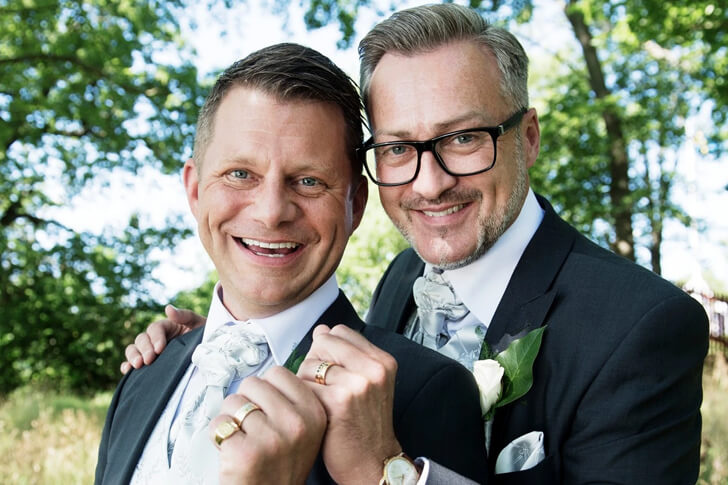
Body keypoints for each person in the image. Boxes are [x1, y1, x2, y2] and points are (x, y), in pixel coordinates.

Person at [124, 4, 709, 484]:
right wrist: (229, 344)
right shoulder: (403, 277)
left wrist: (386, 473)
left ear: (528, 138)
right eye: (399, 148)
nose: (430, 184)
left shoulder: (641, 325)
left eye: (463, 139)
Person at [95, 42, 489, 485]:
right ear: (195, 190)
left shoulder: (424, 390)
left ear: (355, 204)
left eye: (308, 181)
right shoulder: (145, 373)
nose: (271, 212)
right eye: (240, 174)